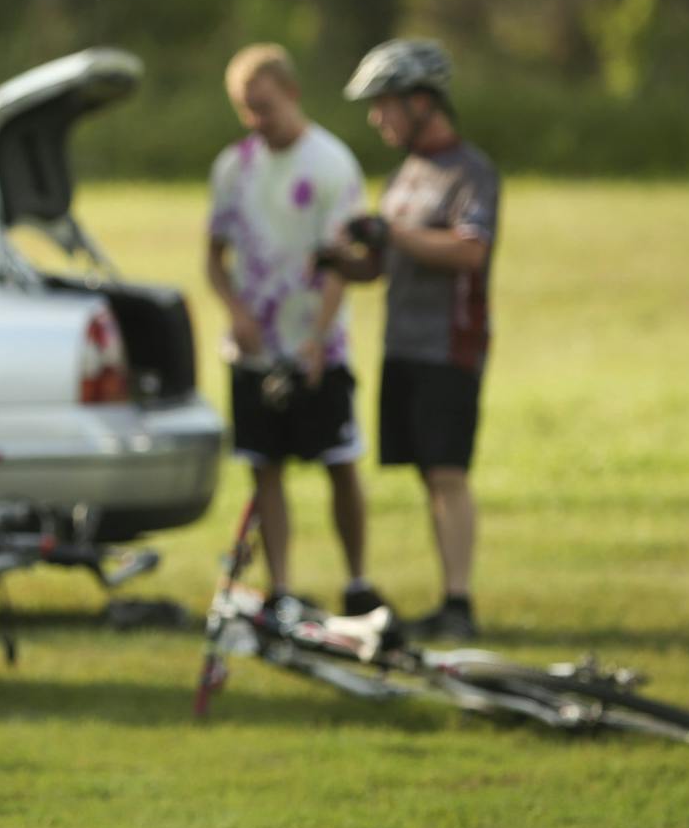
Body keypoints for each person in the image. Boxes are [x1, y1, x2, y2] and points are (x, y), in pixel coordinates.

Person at [324, 38, 500, 641]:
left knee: (447, 472)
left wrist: (390, 233)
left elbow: (470, 250)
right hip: (402, 346)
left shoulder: (469, 172)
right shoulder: (404, 176)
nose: (378, 118)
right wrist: (341, 259)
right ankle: (447, 599)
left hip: (450, 346)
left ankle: (458, 603)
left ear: (423, 102)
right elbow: (380, 267)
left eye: (386, 105)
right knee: (429, 473)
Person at [206, 43, 384, 617]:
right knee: (266, 468)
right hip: (255, 347)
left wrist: (318, 336)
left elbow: (340, 261)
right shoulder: (234, 167)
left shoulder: (331, 164)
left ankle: (357, 580)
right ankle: (282, 585)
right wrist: (235, 311)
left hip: (317, 346)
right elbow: (215, 257)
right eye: (245, 109)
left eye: (265, 106)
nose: (257, 120)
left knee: (338, 462)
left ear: (293, 93)